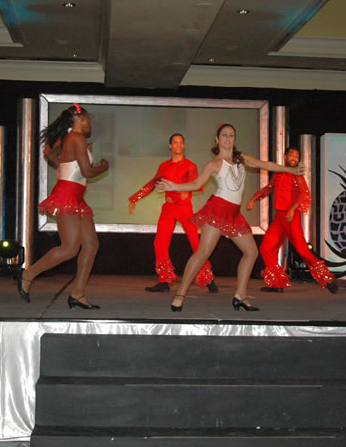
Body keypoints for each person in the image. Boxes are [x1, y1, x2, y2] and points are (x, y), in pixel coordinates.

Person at [158, 123, 303, 312]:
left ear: (234, 139)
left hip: (234, 214)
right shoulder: (214, 164)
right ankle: (180, 294)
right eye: (224, 135)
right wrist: (174, 187)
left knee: (251, 252)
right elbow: (196, 183)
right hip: (217, 210)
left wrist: (290, 170)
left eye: (231, 135)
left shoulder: (241, 159)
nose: (228, 138)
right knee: (203, 253)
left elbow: (265, 165)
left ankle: (240, 296)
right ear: (217, 139)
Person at [17, 104, 109, 308]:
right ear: (81, 118)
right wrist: (103, 166)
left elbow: (48, 153)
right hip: (68, 195)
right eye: (88, 119)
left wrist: (62, 164)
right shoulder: (76, 137)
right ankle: (28, 274)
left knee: (91, 244)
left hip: (76, 196)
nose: (90, 123)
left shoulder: (69, 137)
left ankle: (78, 293)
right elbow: (86, 171)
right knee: (69, 248)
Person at [128, 133, 217, 293]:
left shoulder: (190, 165)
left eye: (181, 142)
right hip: (168, 208)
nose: (178, 145)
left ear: (183, 146)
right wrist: (136, 197)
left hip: (184, 209)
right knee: (159, 243)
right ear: (170, 146)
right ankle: (164, 279)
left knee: (196, 243)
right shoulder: (164, 166)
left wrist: (180, 193)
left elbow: (195, 185)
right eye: (175, 143)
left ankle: (208, 278)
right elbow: (152, 183)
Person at [246, 146, 337, 294]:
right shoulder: (280, 172)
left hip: (290, 217)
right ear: (285, 156)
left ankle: (327, 279)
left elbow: (304, 194)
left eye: (297, 156)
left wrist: (293, 209)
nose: (294, 158)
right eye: (292, 155)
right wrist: (254, 199)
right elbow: (269, 188)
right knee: (266, 248)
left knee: (302, 249)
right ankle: (276, 283)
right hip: (280, 218)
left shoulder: (297, 175)